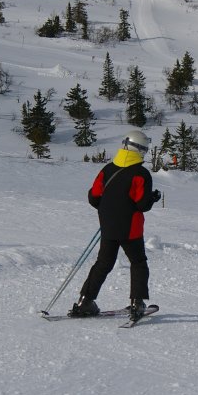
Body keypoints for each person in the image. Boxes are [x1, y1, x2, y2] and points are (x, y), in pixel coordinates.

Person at [71, 130, 161, 322]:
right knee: (138, 262)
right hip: (130, 228)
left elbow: (94, 197)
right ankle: (137, 304)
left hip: (108, 226)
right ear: (140, 149)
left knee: (103, 263)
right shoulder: (141, 173)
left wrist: (110, 208)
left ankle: (85, 301)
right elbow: (142, 205)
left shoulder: (108, 169)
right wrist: (152, 198)